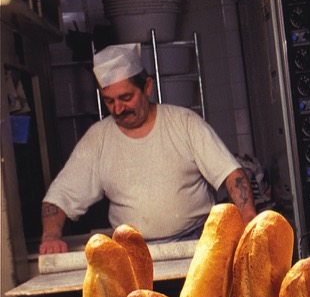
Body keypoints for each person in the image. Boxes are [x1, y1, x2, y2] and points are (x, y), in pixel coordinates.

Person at [39, 42, 256, 254]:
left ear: (147, 87)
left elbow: (231, 174)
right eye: (109, 101)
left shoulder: (184, 122)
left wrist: (248, 219)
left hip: (197, 244)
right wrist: (51, 236)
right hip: (131, 251)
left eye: (126, 98)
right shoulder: (98, 139)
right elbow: (60, 196)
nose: (118, 109)